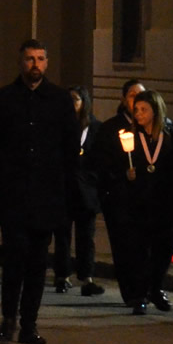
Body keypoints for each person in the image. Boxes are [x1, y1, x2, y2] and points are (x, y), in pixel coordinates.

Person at [0, 39, 80, 344]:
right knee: (14, 259)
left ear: (46, 63)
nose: (35, 64)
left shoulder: (59, 100)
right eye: (30, 59)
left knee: (37, 262)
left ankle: (29, 323)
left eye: (40, 59)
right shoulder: (3, 99)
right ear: (21, 62)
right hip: (14, 194)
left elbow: (70, 148)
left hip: (47, 196)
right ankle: (8, 317)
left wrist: (65, 188)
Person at [115, 89, 173, 315]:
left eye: (143, 110)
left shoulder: (169, 135)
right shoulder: (131, 137)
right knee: (139, 251)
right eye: (136, 110)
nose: (138, 114)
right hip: (139, 204)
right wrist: (127, 174)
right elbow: (120, 166)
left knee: (164, 250)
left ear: (155, 111)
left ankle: (156, 288)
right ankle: (140, 295)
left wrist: (172, 186)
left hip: (164, 204)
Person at [91, 79, 144, 306]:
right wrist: (121, 174)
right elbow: (99, 163)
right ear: (123, 100)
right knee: (123, 246)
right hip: (119, 198)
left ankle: (145, 288)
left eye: (142, 95)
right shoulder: (110, 128)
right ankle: (131, 292)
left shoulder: (152, 126)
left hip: (145, 198)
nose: (138, 100)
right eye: (132, 95)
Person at [54, 85, 105, 297]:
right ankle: (62, 276)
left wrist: (93, 183)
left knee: (86, 237)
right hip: (64, 188)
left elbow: (100, 160)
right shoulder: (61, 126)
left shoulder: (95, 128)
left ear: (84, 102)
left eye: (75, 99)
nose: (71, 104)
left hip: (86, 191)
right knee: (62, 235)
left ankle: (87, 277)